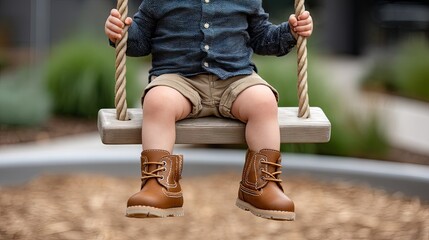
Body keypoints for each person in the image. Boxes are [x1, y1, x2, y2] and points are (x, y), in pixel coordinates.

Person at [105, 0, 313, 221]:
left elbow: (262, 38)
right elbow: (140, 42)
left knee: (263, 101)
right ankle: (158, 184)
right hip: (178, 81)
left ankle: (262, 184)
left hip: (235, 79)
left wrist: (290, 31)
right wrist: (120, 31)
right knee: (158, 101)